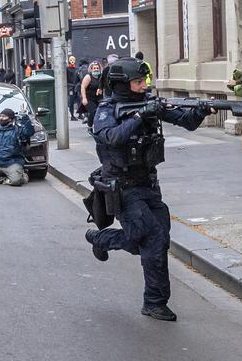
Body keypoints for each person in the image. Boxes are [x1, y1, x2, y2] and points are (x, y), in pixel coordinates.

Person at [85, 57, 214, 322]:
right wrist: (140, 115)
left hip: (149, 185)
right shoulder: (107, 109)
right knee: (151, 237)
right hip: (122, 188)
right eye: (137, 82)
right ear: (122, 84)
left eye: (145, 80)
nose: (144, 85)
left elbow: (186, 121)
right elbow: (111, 137)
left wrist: (202, 110)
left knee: (156, 239)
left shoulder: (148, 103)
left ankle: (102, 239)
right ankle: (154, 302)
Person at [80, 61, 103, 135]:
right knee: (93, 111)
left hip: (99, 98)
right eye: (94, 68)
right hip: (89, 98)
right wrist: (84, 98)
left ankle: (99, 127)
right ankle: (90, 127)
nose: (96, 70)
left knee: (101, 112)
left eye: (97, 68)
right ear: (91, 69)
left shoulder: (101, 76)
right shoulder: (88, 77)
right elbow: (83, 87)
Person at [66, 56, 78, 121]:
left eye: (73, 60)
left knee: (79, 99)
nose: (72, 61)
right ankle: (72, 115)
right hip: (70, 87)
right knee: (71, 101)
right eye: (71, 60)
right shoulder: (67, 69)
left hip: (75, 86)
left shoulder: (76, 68)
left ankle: (80, 114)